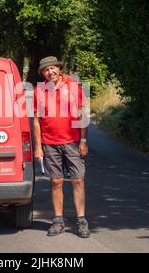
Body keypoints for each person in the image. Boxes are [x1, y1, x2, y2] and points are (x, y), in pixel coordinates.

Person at [33, 56, 90, 238]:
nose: (50, 72)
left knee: (78, 180)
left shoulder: (73, 86)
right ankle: (58, 221)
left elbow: (82, 114)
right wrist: (38, 146)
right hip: (50, 143)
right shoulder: (39, 91)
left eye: (53, 68)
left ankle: (81, 221)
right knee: (56, 182)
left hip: (72, 142)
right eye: (46, 70)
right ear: (43, 73)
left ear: (59, 68)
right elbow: (36, 120)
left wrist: (83, 141)